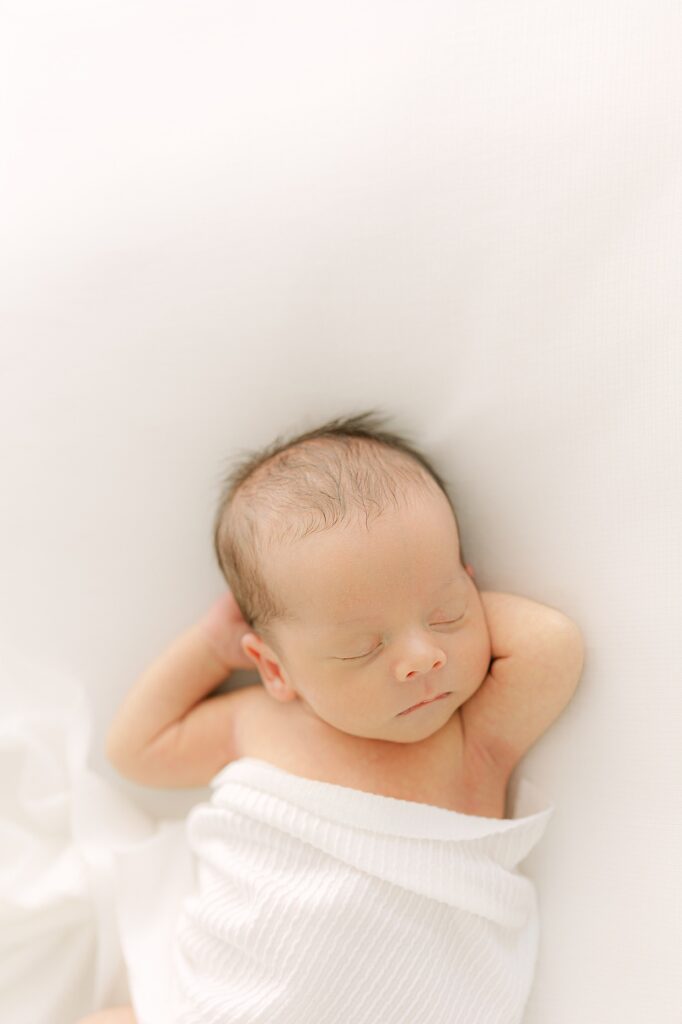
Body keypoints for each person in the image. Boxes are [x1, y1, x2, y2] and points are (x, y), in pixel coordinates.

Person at [83, 410, 584, 1024]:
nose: (422, 659)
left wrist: (444, 605)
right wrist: (209, 649)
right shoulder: (258, 721)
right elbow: (135, 750)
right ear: (274, 669)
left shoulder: (470, 743)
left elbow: (552, 646)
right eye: (362, 648)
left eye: (446, 616)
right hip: (215, 1004)